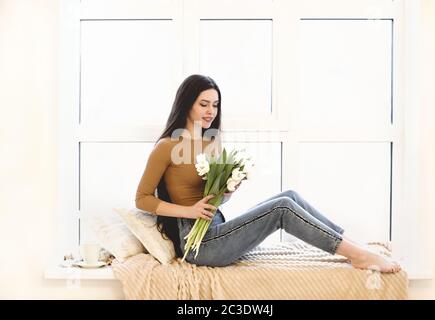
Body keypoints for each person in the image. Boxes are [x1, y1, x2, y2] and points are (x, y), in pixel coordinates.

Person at [135, 74, 401, 273]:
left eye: (215, 105)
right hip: (198, 244)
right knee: (282, 208)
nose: (210, 112)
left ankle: (349, 245)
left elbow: (212, 200)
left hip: (216, 228)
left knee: (290, 195)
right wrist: (189, 211)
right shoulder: (167, 146)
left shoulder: (210, 142)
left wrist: (226, 191)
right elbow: (142, 198)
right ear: (187, 104)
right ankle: (358, 256)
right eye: (204, 104)